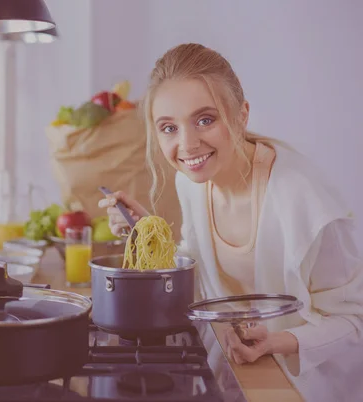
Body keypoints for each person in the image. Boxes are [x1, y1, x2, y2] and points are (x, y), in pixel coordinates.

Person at [98, 43, 363, 402]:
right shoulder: (191, 182)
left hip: (305, 387)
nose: (187, 145)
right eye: (168, 128)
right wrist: (145, 231)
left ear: (242, 114)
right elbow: (204, 283)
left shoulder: (303, 200)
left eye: (205, 120)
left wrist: (278, 342)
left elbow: (356, 322)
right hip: (234, 372)